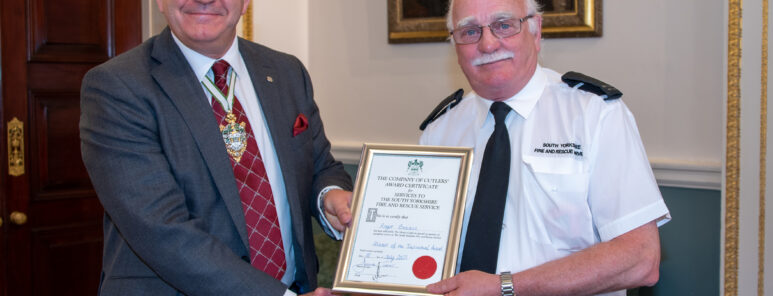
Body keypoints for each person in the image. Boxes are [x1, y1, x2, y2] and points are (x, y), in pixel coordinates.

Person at [79, 0, 354, 295]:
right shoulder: (117, 86)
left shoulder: (287, 71)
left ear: (245, 3)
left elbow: (321, 167)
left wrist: (329, 197)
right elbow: (161, 229)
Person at [420, 0, 671, 295]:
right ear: (455, 45)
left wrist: (504, 288)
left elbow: (640, 258)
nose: (488, 44)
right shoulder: (439, 133)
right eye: (470, 31)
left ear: (536, 30)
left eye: (504, 25)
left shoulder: (594, 115)